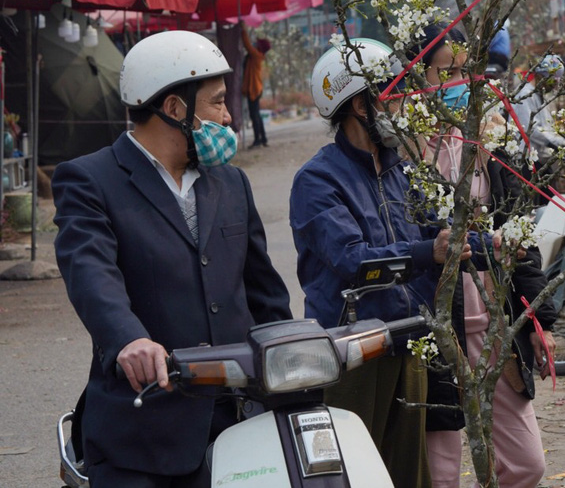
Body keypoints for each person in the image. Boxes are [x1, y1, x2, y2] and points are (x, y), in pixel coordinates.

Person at [52, 30, 292, 488]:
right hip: (144, 430)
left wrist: (291, 362)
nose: (228, 116)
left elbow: (265, 295)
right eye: (218, 103)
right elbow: (89, 270)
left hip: (239, 427)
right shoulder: (90, 180)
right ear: (175, 108)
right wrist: (127, 340)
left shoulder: (231, 183)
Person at [290, 37, 495, 488]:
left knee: (409, 476)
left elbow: (440, 236)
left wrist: (498, 246)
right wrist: (430, 252)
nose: (404, 106)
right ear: (360, 105)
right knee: (356, 476)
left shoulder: (402, 171)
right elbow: (353, 261)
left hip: (409, 342)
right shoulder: (318, 181)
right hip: (355, 352)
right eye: (394, 95)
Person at [411, 25, 556, 488]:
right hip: (439, 333)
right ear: (418, 80)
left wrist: (538, 320)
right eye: (445, 73)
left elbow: (519, 237)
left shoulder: (489, 145)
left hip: (496, 326)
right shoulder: (401, 154)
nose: (457, 83)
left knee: (527, 465)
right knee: (443, 475)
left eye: (463, 71)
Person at [241, 25, 271, 148]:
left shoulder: (256, 55)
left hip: (254, 89)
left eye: (257, 43)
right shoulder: (258, 56)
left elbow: (247, 45)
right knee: (256, 115)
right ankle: (263, 138)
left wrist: (243, 30)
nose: (254, 44)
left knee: (254, 116)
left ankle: (258, 140)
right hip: (255, 89)